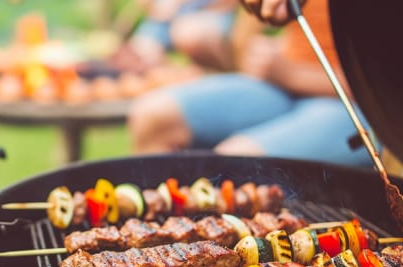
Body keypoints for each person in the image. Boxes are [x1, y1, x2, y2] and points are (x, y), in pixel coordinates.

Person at [127, 0, 375, 167]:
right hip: (282, 82)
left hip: (360, 105)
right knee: (152, 115)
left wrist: (293, 74)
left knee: (234, 161)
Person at [111, 0, 240, 73]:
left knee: (187, 32)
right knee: (139, 52)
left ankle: (225, 74)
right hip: (165, 20)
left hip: (213, 15)